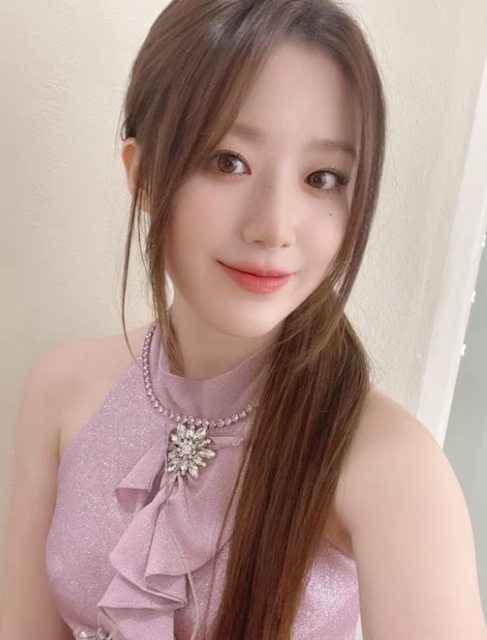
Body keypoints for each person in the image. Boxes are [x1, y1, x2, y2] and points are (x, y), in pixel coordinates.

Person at [1, 0, 486, 638]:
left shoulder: (392, 468)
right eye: (228, 161)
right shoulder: (61, 390)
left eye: (322, 177)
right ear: (143, 176)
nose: (274, 227)